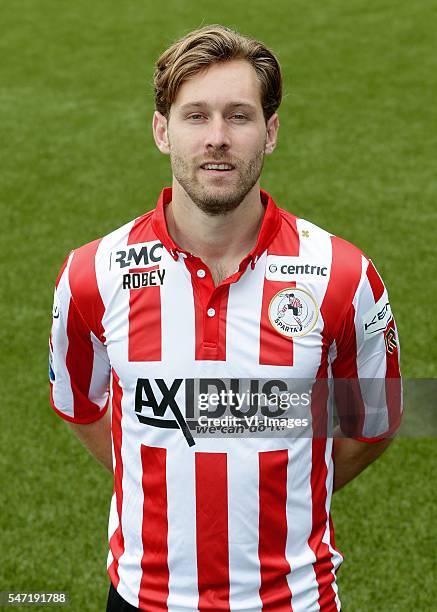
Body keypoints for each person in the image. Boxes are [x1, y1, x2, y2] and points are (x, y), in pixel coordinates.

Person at [49, 25, 402, 612]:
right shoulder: (94, 274)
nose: (217, 138)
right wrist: (158, 472)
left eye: (239, 116)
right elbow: (83, 407)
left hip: (292, 599)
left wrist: (290, 483)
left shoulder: (343, 274)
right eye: (196, 116)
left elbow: (376, 420)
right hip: (143, 598)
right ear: (162, 131)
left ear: (271, 134)